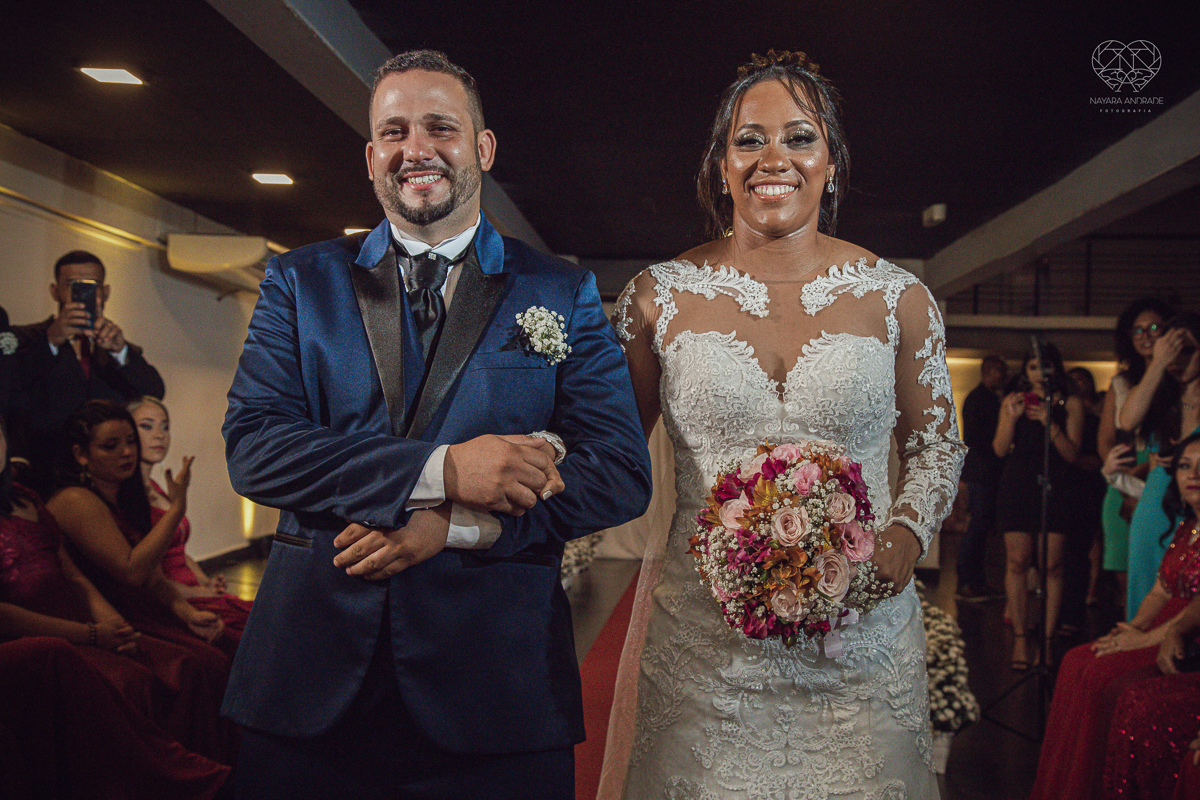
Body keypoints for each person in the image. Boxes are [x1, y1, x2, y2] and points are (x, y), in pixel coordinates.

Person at [220, 50, 652, 800]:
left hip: (496, 692)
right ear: (370, 157)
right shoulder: (299, 282)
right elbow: (255, 448)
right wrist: (443, 472)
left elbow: (618, 471)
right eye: (394, 131)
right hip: (307, 684)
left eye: (439, 127)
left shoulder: (562, 289)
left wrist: (456, 522)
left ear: (481, 148)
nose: (415, 148)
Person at [603, 50, 964, 798]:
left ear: (831, 159)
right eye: (749, 139)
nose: (775, 158)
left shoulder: (900, 299)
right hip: (705, 646)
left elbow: (935, 447)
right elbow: (606, 451)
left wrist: (903, 534)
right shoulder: (654, 298)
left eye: (799, 137)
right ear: (722, 163)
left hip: (859, 635)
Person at [0, 414, 230, 767]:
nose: (126, 453)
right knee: (156, 676)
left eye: (129, 443)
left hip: (104, 613)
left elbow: (80, 578)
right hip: (50, 633)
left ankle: (217, 763)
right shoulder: (75, 499)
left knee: (213, 655)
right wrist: (96, 633)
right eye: (111, 445)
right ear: (80, 454)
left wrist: (122, 626)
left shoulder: (28, 499)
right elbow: (132, 572)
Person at [1029, 431, 1200, 800]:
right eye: (1185, 465)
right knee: (1078, 661)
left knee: (1111, 683)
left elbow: (1191, 610)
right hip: (1160, 622)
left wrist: (1142, 639)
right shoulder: (1186, 525)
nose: (1193, 475)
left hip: (1187, 633)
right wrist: (1131, 627)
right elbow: (1160, 590)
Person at [10, 251, 165, 497]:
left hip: (112, 483)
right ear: (55, 291)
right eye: (72, 285)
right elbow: (11, 389)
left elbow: (154, 392)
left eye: (91, 286)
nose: (80, 292)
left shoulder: (118, 347)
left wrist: (120, 351)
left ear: (105, 292)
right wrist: (52, 340)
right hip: (45, 480)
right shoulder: (27, 339)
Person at [993, 343, 1085, 668]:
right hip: (1018, 484)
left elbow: (1073, 455)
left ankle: (1046, 642)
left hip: (1055, 485)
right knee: (1017, 562)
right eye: (1033, 366)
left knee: (1052, 565)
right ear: (1025, 371)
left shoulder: (1069, 402)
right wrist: (1010, 416)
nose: (1040, 373)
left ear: (1055, 369)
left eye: (1046, 366)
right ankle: (1020, 639)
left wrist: (1051, 423)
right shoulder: (1013, 400)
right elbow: (1000, 449)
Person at [129, 396, 251, 640]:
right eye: (147, 426)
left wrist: (206, 582)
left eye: (165, 426)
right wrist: (198, 592)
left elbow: (178, 551)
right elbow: (148, 578)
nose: (160, 435)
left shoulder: (157, 487)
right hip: (173, 600)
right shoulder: (129, 498)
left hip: (195, 592)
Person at [1121, 311, 1200, 618]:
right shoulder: (1160, 395)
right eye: (1173, 352)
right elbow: (1126, 421)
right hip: (1156, 504)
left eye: (1188, 351)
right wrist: (1157, 363)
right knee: (1147, 588)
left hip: (1194, 506)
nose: (1178, 360)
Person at [1099, 298, 1174, 608]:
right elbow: (1105, 441)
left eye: (1154, 327)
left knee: (1164, 567)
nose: (1145, 335)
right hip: (1124, 472)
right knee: (1125, 569)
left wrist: (1145, 474)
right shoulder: (1121, 383)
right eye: (1138, 330)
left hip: (1165, 473)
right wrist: (1120, 473)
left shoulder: (1179, 380)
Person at [956, 354, 1007, 601]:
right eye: (999, 370)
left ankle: (976, 581)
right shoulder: (979, 400)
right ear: (987, 371)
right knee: (977, 527)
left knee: (982, 528)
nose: (1002, 375)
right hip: (981, 472)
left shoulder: (984, 398)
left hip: (984, 471)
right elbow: (978, 440)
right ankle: (966, 582)